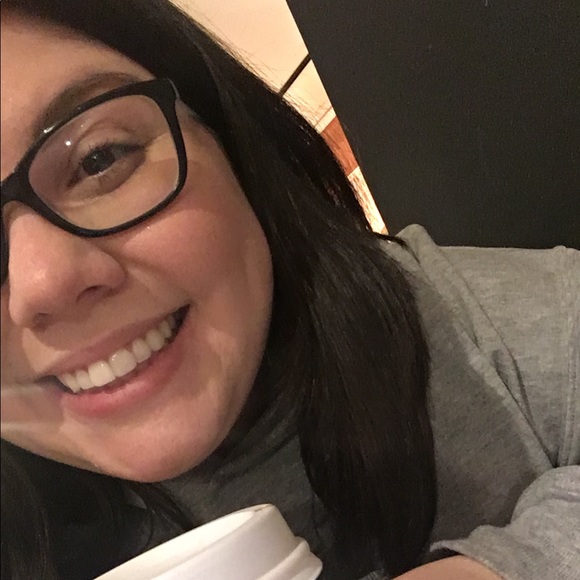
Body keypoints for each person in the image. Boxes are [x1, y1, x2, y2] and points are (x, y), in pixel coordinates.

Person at [0, 1, 578, 579]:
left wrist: (503, 567)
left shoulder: (491, 328)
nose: (43, 282)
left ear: (225, 133)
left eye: (99, 159)